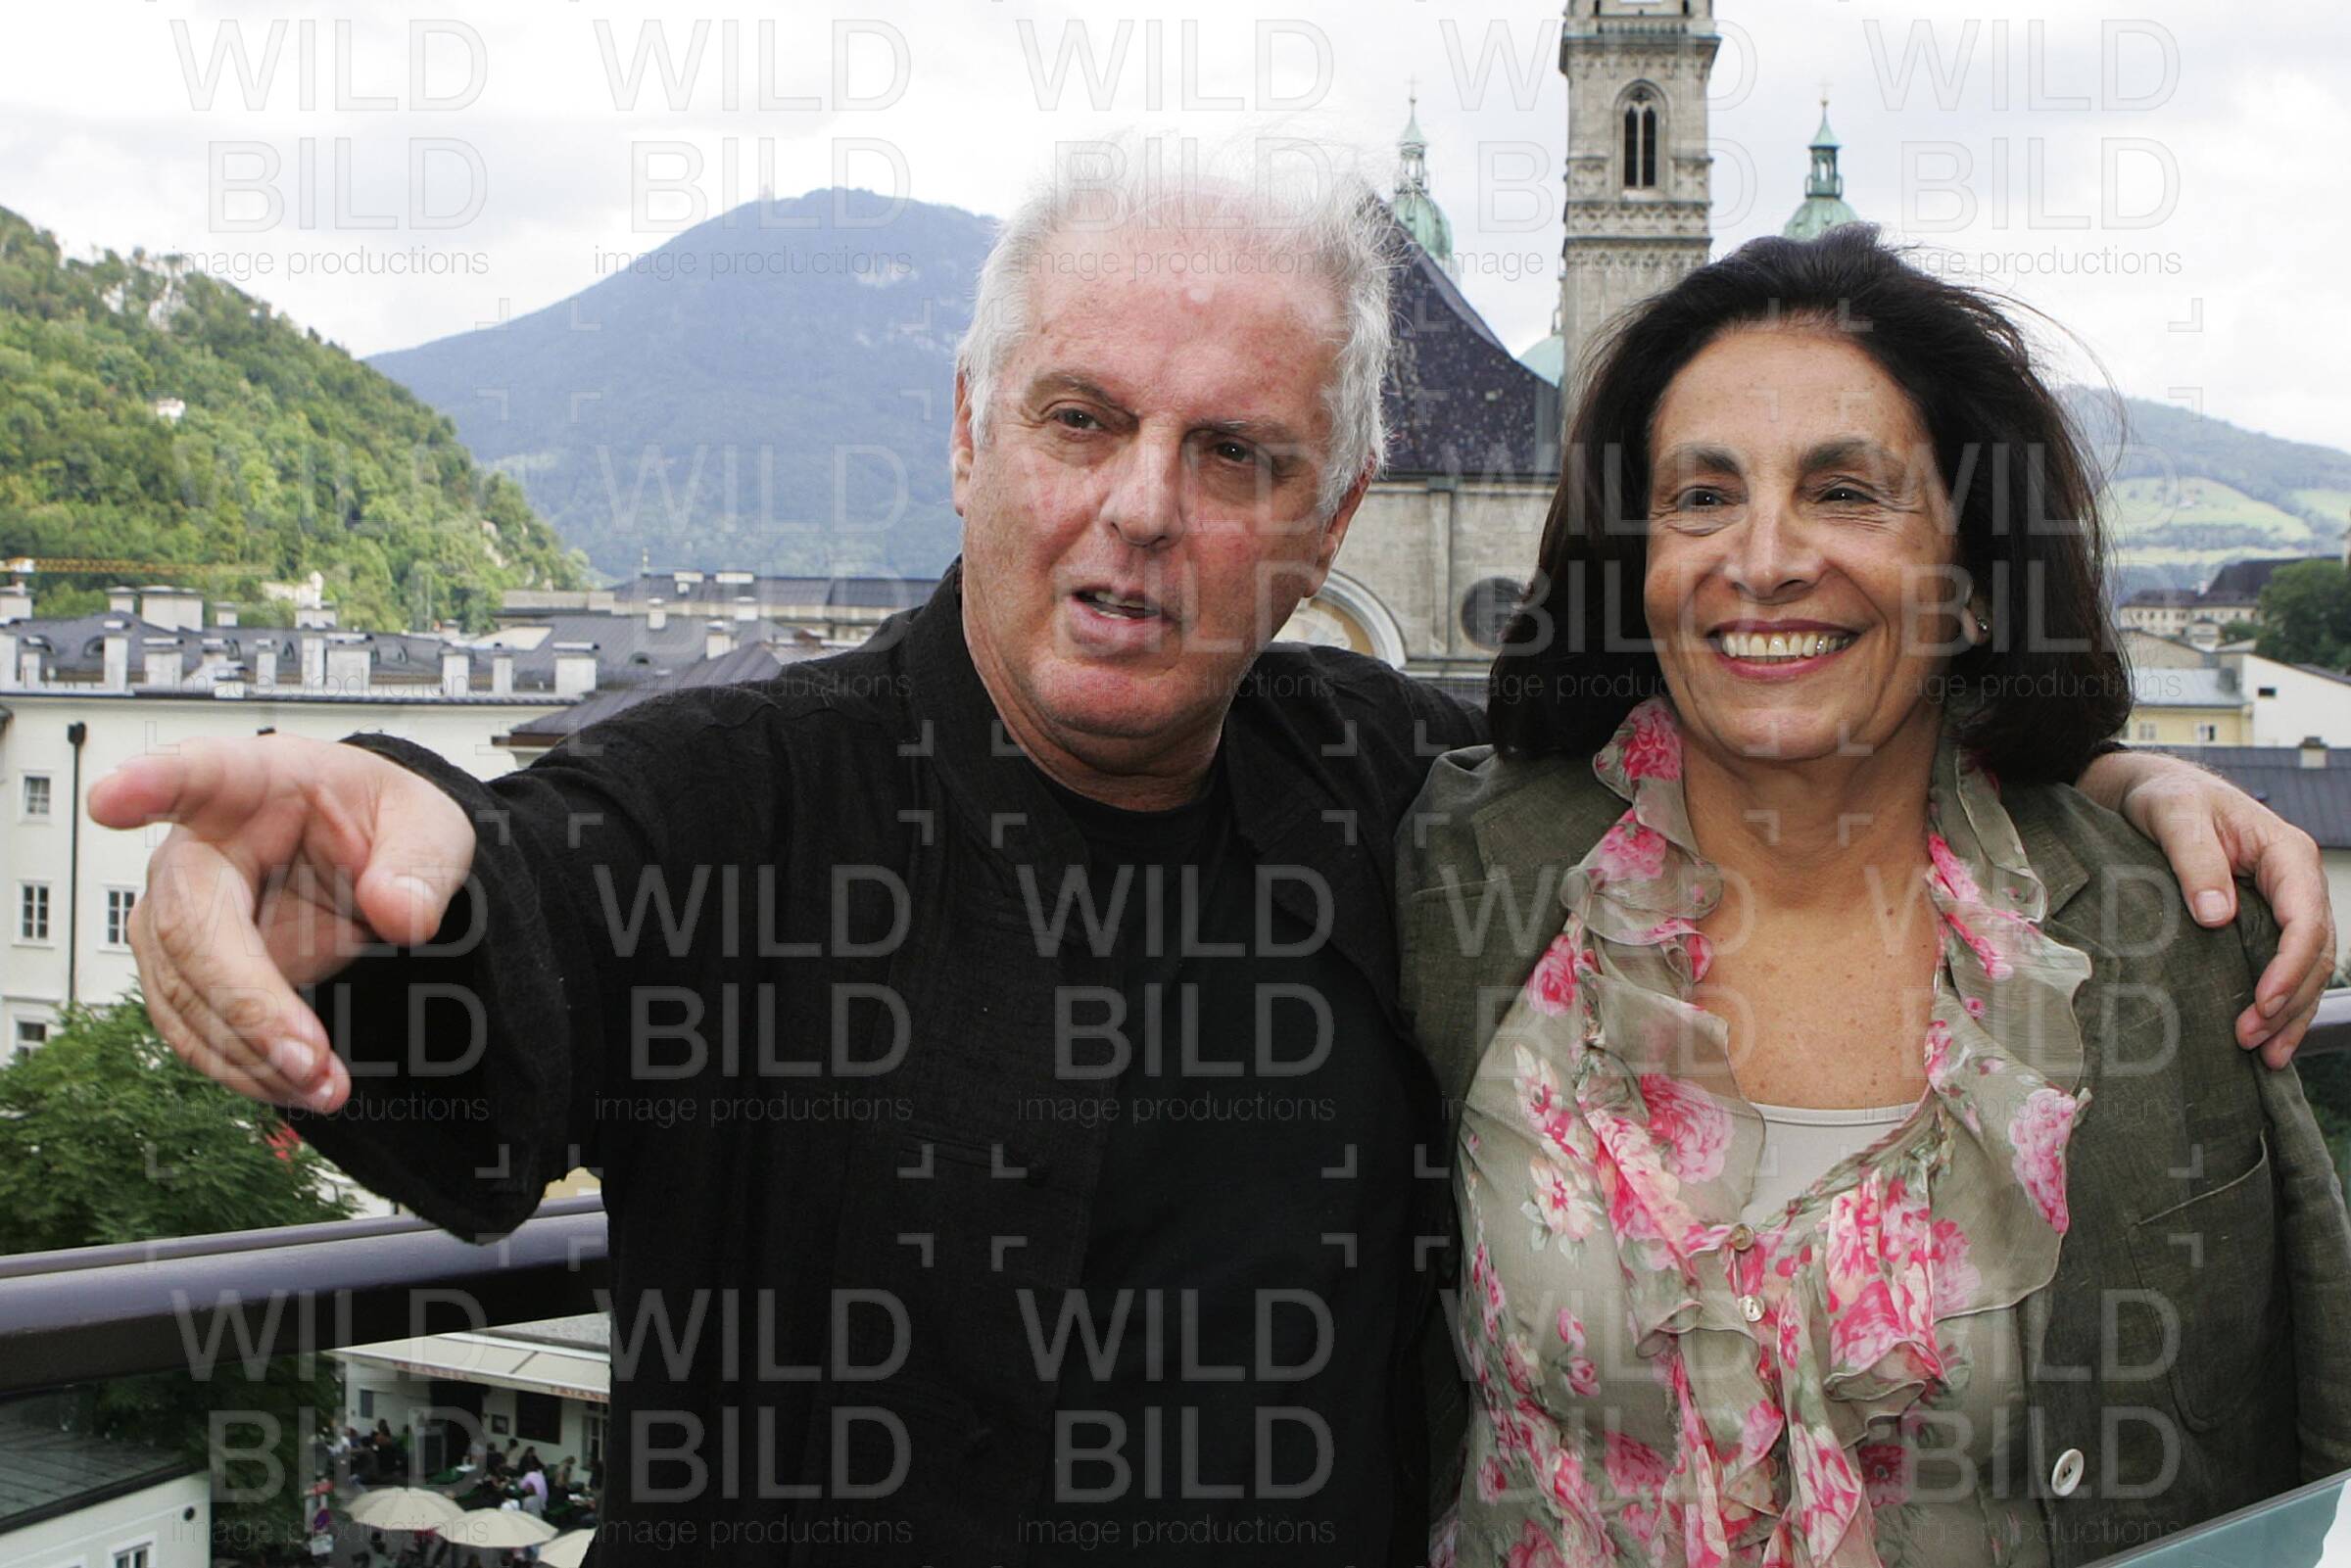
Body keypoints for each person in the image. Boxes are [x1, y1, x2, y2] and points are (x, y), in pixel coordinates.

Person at [88, 135, 2333, 1567]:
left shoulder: (1412, 797)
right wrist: (355, 886)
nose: (1143, 508)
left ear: (1332, 519)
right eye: (1083, 420)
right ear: (971, 435)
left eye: (1237, 455)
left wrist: (2103, 786)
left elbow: (1770, 735)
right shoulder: (735, 799)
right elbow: (520, 898)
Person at [1395, 225, 2351, 1567]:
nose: (1765, 557)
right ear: (1637, 568)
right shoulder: (1463, 867)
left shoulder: (2169, 928)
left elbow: (2310, 1407)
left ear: (1973, 584)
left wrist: (2123, 777)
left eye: (1845, 492)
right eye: (1702, 497)